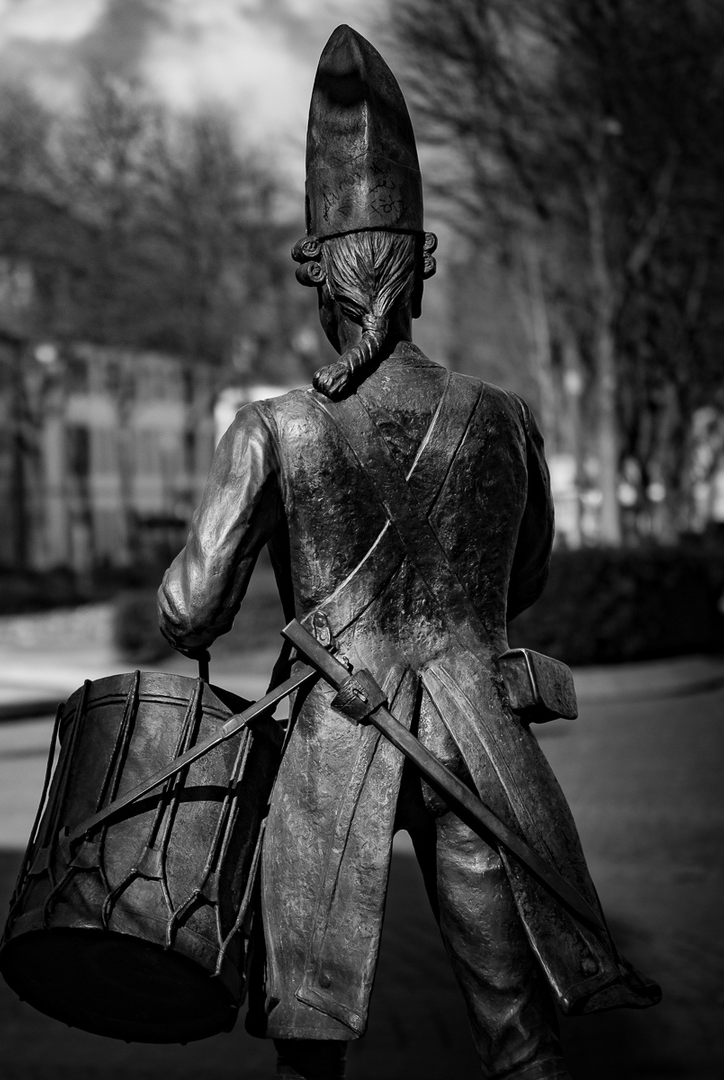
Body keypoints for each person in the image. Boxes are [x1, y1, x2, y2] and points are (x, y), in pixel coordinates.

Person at [157, 26, 657, 1080]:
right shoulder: (504, 418)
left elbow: (190, 613)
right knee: (519, 1033)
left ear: (314, 275)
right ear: (423, 265)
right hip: (475, 744)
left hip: (332, 739)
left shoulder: (273, 428)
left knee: (309, 1033)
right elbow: (526, 579)